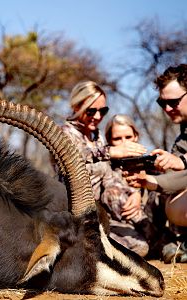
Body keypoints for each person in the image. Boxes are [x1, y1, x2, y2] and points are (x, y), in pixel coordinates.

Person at [57, 80, 151, 257]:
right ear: (76, 106)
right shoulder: (63, 133)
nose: (98, 116)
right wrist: (110, 151)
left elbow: (109, 174)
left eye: (103, 111)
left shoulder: (97, 135)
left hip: (106, 207)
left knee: (142, 241)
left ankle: (158, 239)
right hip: (77, 210)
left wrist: (135, 192)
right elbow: (73, 155)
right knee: (135, 249)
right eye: (91, 111)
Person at [126, 64, 187, 263]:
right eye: (163, 103)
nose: (168, 109)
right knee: (167, 202)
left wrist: (182, 161)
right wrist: (146, 180)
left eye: (174, 102)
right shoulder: (182, 138)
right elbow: (178, 179)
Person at [105, 114, 170, 258]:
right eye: (117, 139)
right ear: (109, 141)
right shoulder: (105, 168)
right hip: (122, 228)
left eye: (128, 137)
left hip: (153, 224)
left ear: (136, 136)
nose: (125, 143)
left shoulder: (152, 163)